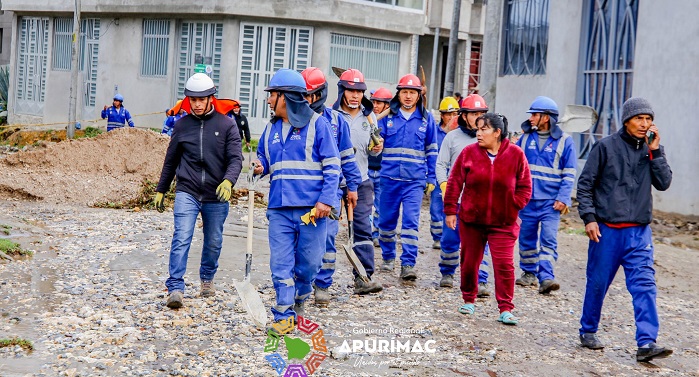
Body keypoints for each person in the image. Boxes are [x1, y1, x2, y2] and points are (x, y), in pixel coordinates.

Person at [577, 98, 673, 362]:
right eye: (639, 118)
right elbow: (585, 185)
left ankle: (646, 343)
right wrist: (589, 218)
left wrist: (655, 152)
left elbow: (664, 183)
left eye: (648, 119)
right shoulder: (605, 147)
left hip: (639, 233)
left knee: (644, 286)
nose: (644, 124)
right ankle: (588, 331)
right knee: (598, 284)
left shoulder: (653, 151)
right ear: (627, 120)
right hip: (606, 231)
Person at [252, 68, 341, 325]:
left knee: (310, 265)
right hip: (279, 209)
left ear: (286, 97)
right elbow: (265, 160)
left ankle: (302, 295)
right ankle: (283, 314)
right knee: (280, 265)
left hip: (312, 211)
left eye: (272, 95)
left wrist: (326, 200)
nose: (268, 100)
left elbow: (333, 166)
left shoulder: (319, 124)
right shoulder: (270, 130)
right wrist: (260, 166)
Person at [154, 73, 243, 309]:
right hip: (188, 190)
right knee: (182, 236)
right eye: (193, 99)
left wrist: (228, 181)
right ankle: (175, 287)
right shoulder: (181, 125)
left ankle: (207, 279)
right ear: (188, 100)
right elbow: (170, 160)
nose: (197, 103)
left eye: (202, 99)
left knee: (213, 241)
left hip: (217, 194)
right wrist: (162, 189)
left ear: (211, 98)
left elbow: (236, 159)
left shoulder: (227, 124)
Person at [444, 113, 531, 325]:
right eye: (478, 129)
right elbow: (455, 182)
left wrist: (513, 206)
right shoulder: (469, 153)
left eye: (483, 129)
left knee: (504, 265)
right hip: (472, 220)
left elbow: (525, 187)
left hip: (504, 222)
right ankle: (469, 299)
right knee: (469, 262)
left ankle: (505, 308)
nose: (478, 133)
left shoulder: (516, 154)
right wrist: (450, 210)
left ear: (497, 132)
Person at [298, 67, 365, 306]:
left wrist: (353, 187)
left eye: (310, 95)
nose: (305, 100)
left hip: (330, 192)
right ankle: (301, 282)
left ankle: (322, 285)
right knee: (302, 240)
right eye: (302, 95)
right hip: (301, 193)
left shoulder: (336, 121)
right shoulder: (293, 121)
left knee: (327, 240)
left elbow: (347, 157)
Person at [324, 68, 384, 296]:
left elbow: (374, 151)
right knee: (326, 229)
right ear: (342, 91)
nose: (355, 96)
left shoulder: (370, 117)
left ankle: (364, 276)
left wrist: (377, 148)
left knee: (362, 230)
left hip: (362, 180)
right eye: (351, 90)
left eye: (359, 91)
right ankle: (320, 281)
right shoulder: (329, 116)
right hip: (333, 181)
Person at [377, 74, 438, 281]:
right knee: (386, 222)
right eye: (405, 92)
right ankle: (387, 257)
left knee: (411, 223)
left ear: (419, 95)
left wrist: (431, 178)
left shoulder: (426, 119)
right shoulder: (388, 117)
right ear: (399, 94)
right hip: (389, 179)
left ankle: (408, 264)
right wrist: (375, 145)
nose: (409, 96)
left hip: (414, 181)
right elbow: (376, 146)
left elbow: (431, 149)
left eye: (413, 92)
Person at [515, 96, 577, 294]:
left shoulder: (565, 142)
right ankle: (528, 273)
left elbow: (569, 173)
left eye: (535, 114)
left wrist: (563, 198)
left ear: (547, 117)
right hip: (527, 200)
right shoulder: (524, 139)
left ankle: (546, 278)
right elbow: (514, 165)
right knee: (526, 239)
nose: (531, 118)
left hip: (551, 203)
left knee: (549, 240)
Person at [435, 94, 491, 296]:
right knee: (450, 238)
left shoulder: (490, 137)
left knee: (479, 241)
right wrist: (444, 185)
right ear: (464, 115)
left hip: (480, 201)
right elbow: (441, 164)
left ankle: (481, 279)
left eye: (481, 113)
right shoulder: (452, 138)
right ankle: (447, 273)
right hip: (456, 200)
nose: (478, 117)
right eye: (473, 113)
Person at [429, 97, 459, 251]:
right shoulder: (435, 132)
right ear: (442, 115)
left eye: (455, 114)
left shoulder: (461, 135)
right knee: (436, 207)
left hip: (455, 178)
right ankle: (437, 236)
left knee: (453, 208)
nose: (452, 117)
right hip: (437, 176)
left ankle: (451, 236)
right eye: (448, 114)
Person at [368, 87, 392, 247]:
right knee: (365, 205)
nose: (376, 105)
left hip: (383, 171)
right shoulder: (368, 119)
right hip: (368, 169)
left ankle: (376, 232)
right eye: (374, 102)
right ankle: (365, 232)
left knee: (380, 205)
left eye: (379, 103)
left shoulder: (391, 123)